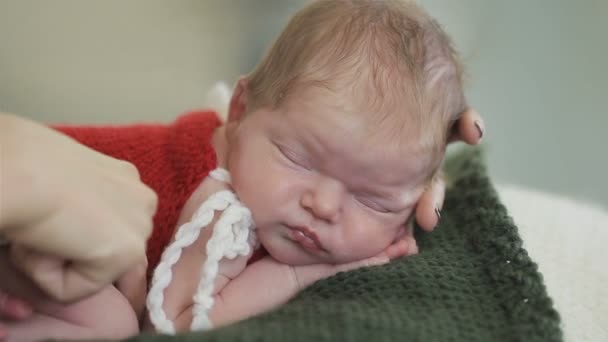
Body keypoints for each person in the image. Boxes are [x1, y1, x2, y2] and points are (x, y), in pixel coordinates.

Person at [0, 0, 485, 340]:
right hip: (22, 234)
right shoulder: (221, 203)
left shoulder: (264, 152)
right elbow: (184, 322)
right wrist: (302, 275)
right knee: (111, 322)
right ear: (238, 112)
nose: (324, 205)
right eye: (299, 159)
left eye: (372, 198)